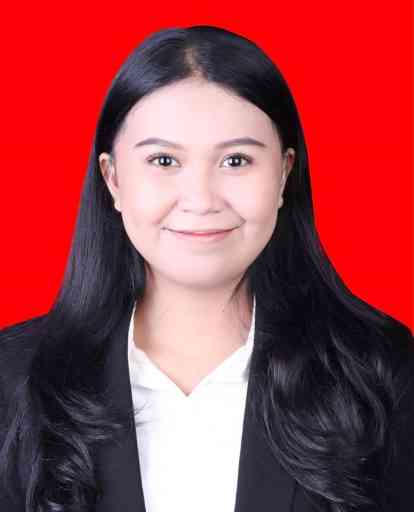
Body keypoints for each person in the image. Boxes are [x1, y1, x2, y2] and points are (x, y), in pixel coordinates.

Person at [0, 25, 413, 512]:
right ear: (112, 179)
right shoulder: (16, 377)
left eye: (236, 160)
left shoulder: (377, 370)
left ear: (283, 174)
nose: (200, 200)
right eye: (163, 160)